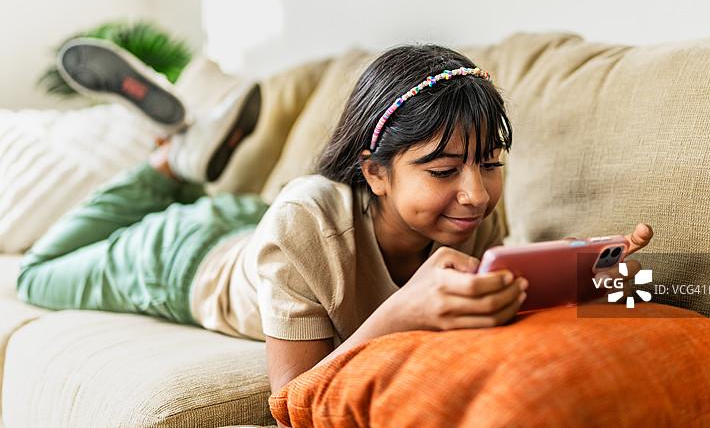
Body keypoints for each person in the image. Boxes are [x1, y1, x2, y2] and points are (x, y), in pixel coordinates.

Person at [17, 39, 653, 400]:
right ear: (374, 170)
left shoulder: (467, 214)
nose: (475, 193)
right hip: (180, 258)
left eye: (490, 163)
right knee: (36, 275)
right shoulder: (308, 220)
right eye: (442, 170)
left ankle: (185, 158)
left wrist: (592, 269)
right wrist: (401, 315)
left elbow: (503, 279)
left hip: (257, 224)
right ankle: (170, 164)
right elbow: (291, 397)